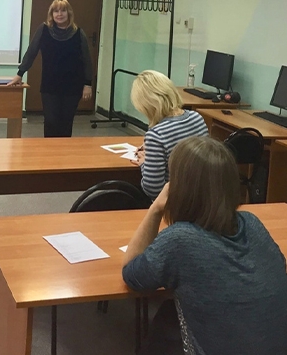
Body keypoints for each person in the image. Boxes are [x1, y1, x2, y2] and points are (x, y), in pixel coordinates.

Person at [122, 136, 287, 355]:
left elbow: (132, 274)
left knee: (163, 322)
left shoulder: (180, 239)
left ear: (178, 189)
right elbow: (279, 264)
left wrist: (155, 209)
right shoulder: (252, 222)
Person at [7, 0, 93, 137]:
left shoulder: (78, 33)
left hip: (72, 86)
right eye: (56, 11)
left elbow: (87, 60)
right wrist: (20, 73)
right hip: (50, 85)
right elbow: (31, 52)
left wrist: (88, 84)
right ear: (51, 14)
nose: (59, 14)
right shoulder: (44, 30)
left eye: (63, 11)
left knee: (66, 123)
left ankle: (63, 151)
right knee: (51, 121)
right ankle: (48, 150)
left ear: (69, 13)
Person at [130, 70, 208, 201]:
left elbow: (153, 189)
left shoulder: (156, 135)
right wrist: (152, 149)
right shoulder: (197, 118)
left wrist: (144, 163)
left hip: (175, 203)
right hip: (202, 198)